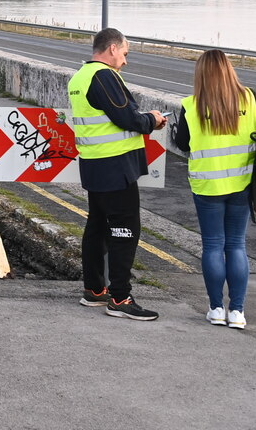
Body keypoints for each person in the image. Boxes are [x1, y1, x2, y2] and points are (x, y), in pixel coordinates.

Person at [67, 27, 167, 321]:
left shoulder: (80, 76)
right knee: (125, 230)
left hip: (94, 164)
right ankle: (121, 298)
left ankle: (95, 290)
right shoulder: (104, 75)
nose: (125, 61)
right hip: (115, 166)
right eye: (124, 53)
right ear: (112, 48)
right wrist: (152, 120)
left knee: (97, 228)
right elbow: (126, 117)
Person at [171, 49, 256, 330]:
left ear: (200, 74)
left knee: (213, 244)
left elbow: (184, 144)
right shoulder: (251, 99)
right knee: (236, 245)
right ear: (229, 70)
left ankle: (215, 308)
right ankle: (237, 311)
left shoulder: (192, 105)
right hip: (241, 184)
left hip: (207, 185)